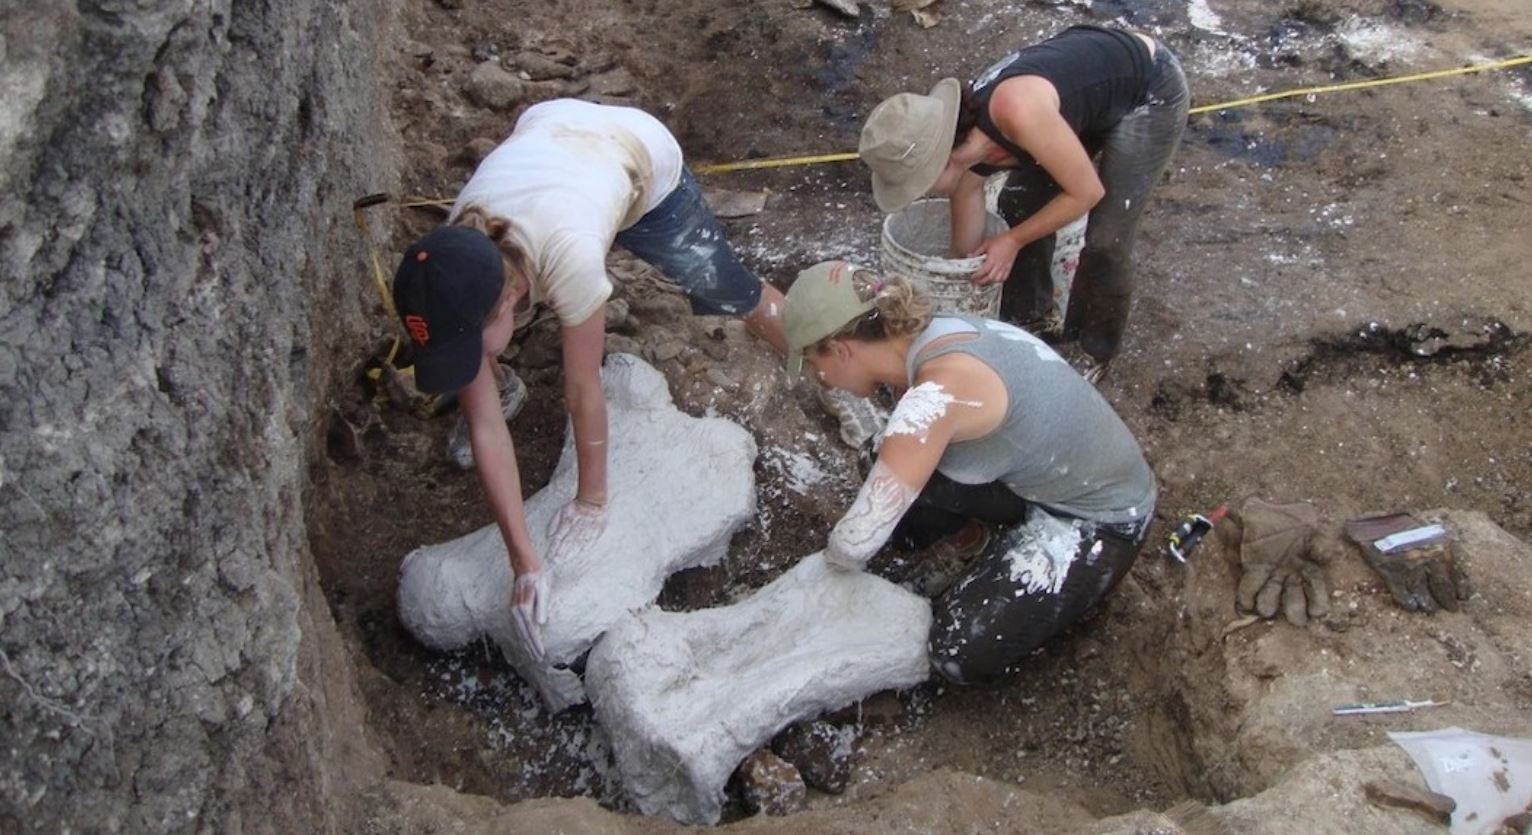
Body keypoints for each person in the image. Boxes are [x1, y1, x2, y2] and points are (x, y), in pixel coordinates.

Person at [391, 100, 874, 657]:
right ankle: (504, 382)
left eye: (473, 343)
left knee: (728, 288)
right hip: (552, 140)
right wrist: (524, 561)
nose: (464, 358)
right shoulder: (449, 264)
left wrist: (591, 500)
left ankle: (831, 364)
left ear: (511, 297)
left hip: (635, 157)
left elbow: (582, 389)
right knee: (473, 355)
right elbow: (484, 426)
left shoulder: (567, 256)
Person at [782, 260, 1157, 684]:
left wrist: (812, 594)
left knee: (958, 651)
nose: (823, 380)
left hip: (1100, 519)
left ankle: (1039, 566)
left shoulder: (941, 390)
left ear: (841, 349)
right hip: (1044, 473)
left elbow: (855, 542)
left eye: (816, 365)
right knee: (882, 458)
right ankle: (974, 543)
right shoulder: (925, 337)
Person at [858, 25, 1189, 382]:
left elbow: (1087, 193)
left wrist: (1011, 242)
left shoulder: (1015, 113)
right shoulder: (963, 143)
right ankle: (1028, 317)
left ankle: (1093, 347)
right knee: (1019, 206)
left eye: (917, 182)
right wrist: (957, 288)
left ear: (939, 160)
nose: (920, 192)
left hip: (1147, 89)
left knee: (1106, 240)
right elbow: (965, 245)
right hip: (1078, 95)